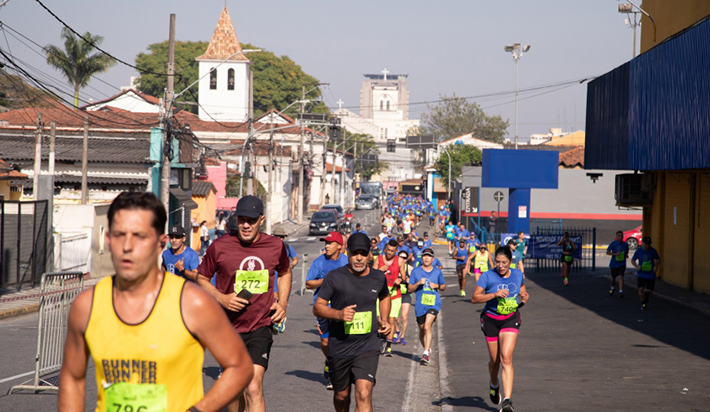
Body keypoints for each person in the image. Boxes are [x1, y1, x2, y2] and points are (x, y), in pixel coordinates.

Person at [58, 191, 254, 412]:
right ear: (108, 239)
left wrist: (199, 410)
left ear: (161, 243)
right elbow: (72, 378)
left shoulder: (192, 304)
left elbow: (240, 366)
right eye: (120, 235)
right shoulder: (87, 306)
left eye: (140, 236)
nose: (127, 247)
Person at [197, 195, 291, 412]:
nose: (246, 225)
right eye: (241, 219)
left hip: (260, 325)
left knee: (253, 385)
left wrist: (283, 303)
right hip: (228, 328)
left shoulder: (275, 246)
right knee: (234, 390)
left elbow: (285, 271)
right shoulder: (220, 246)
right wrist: (222, 298)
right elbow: (201, 278)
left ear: (261, 220)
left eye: (251, 220)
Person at [313, 233, 392, 412]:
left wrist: (384, 319)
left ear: (369, 255)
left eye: (363, 253)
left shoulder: (378, 277)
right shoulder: (334, 277)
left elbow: (385, 296)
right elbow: (318, 307)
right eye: (354, 253)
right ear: (347, 253)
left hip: (367, 346)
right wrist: (338, 314)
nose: (358, 257)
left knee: (364, 394)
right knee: (341, 396)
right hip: (340, 346)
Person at [471, 246, 530, 412]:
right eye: (497, 262)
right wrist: (494, 295)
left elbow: (522, 290)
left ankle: (507, 401)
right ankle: (494, 383)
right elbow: (475, 298)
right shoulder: (487, 276)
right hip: (490, 320)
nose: (500, 265)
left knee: (506, 357)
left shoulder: (517, 274)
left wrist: (524, 297)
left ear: (511, 262)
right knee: (495, 360)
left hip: (510, 319)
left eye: (504, 262)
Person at [305, 231, 349, 390]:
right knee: (325, 342)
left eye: (330, 243)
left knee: (341, 341)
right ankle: (330, 360)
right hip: (322, 308)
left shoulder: (346, 261)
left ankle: (336, 372)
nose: (327, 246)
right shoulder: (319, 262)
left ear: (339, 246)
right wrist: (325, 281)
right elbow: (308, 284)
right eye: (326, 243)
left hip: (341, 307)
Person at [408, 248, 446, 364]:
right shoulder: (416, 271)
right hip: (420, 304)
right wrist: (418, 283)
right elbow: (410, 289)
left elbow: (444, 286)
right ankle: (427, 348)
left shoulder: (437, 272)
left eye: (429, 256)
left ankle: (425, 352)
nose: (426, 258)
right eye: (424, 256)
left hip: (434, 303)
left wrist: (437, 286)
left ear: (432, 259)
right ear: (422, 258)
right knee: (422, 330)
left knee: (427, 326)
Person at [373, 239, 406, 357]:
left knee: (391, 320)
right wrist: (379, 271)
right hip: (380, 294)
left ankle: (388, 346)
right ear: (385, 248)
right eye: (388, 250)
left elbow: (404, 276)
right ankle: (382, 338)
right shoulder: (379, 259)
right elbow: (371, 275)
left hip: (394, 294)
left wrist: (400, 280)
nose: (389, 253)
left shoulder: (400, 261)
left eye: (392, 251)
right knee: (379, 320)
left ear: (396, 251)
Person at [272, 227, 298, 334]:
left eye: (281, 237)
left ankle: (280, 321)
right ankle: (273, 321)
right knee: (273, 299)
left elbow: (295, 259)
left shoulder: (288, 247)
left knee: (281, 300)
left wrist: (290, 267)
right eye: (277, 236)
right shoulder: (269, 247)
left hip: (283, 276)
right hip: (272, 276)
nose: (279, 238)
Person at [631, 236, 660, 310]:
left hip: (650, 274)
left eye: (648, 244)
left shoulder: (653, 251)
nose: (647, 246)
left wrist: (656, 266)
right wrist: (637, 266)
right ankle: (643, 303)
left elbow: (658, 259)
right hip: (641, 273)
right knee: (640, 288)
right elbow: (633, 260)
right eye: (646, 244)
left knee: (650, 290)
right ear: (642, 243)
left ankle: (646, 293)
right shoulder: (639, 251)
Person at [395, 250, 412, 346]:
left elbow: (414, 283)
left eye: (404, 258)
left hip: (406, 294)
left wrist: (410, 281)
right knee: (395, 318)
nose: (402, 259)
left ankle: (402, 336)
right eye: (400, 257)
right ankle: (397, 331)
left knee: (404, 317)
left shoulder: (409, 269)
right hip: (396, 294)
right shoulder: (394, 268)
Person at [606, 230, 628, 298]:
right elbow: (607, 252)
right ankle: (612, 287)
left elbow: (626, 250)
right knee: (613, 278)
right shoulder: (613, 243)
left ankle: (621, 291)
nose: (620, 237)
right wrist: (615, 254)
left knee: (621, 276)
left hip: (622, 263)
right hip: (614, 264)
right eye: (619, 236)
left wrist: (626, 255)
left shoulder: (625, 244)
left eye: (621, 236)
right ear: (616, 236)